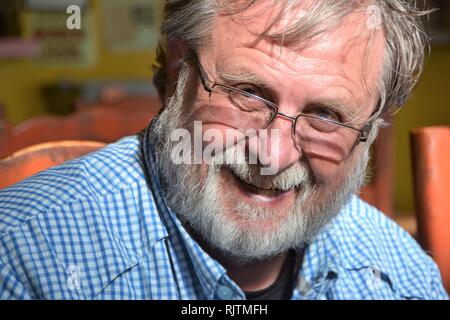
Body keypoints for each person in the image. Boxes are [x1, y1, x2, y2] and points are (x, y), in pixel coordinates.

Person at [0, 0, 448, 300]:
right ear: (179, 72)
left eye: (326, 116)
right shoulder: (23, 259)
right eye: (248, 93)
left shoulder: (405, 278)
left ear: (368, 130)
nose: (273, 156)